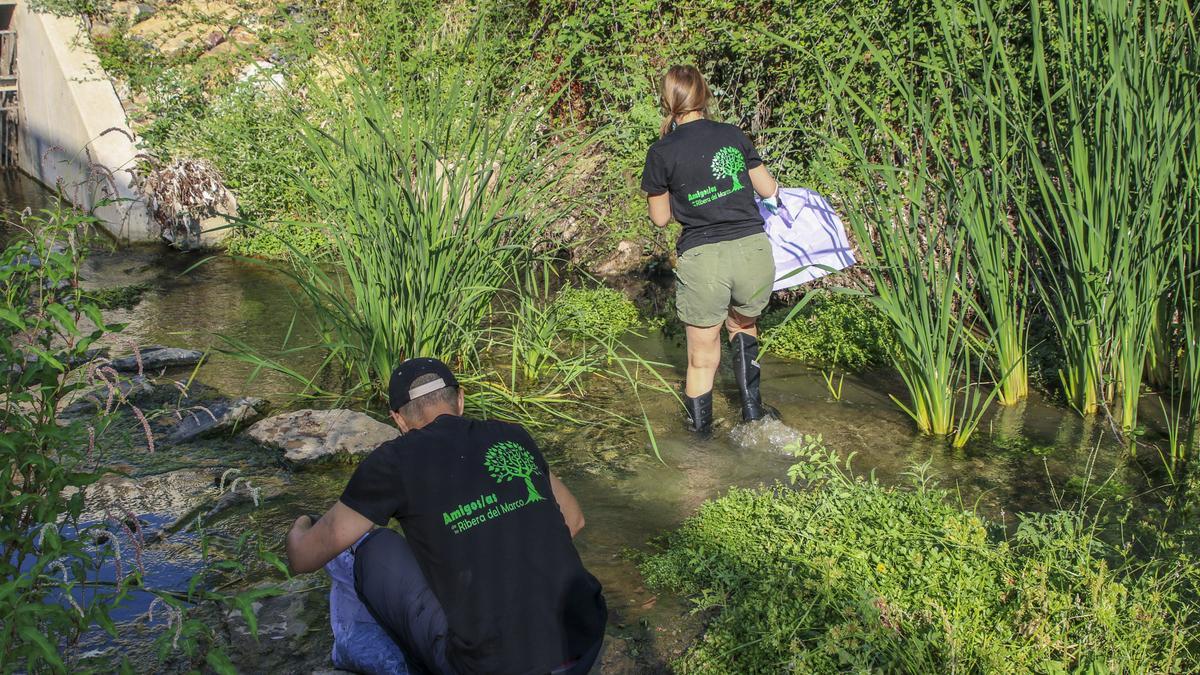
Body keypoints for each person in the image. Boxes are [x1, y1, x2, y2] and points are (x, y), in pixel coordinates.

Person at [285, 358, 607, 675]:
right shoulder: (512, 436)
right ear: (461, 399)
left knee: (371, 548)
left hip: (489, 666)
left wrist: (302, 523)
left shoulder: (394, 462)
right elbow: (574, 519)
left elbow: (303, 557)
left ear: (398, 419)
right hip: (580, 647)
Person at [641, 65, 781, 434]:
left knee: (702, 359)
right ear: (704, 95)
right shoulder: (733, 135)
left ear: (668, 100)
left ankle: (700, 443)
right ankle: (753, 414)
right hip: (753, 252)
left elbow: (659, 218)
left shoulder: (661, 151)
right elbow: (768, 190)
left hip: (705, 258)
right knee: (744, 325)